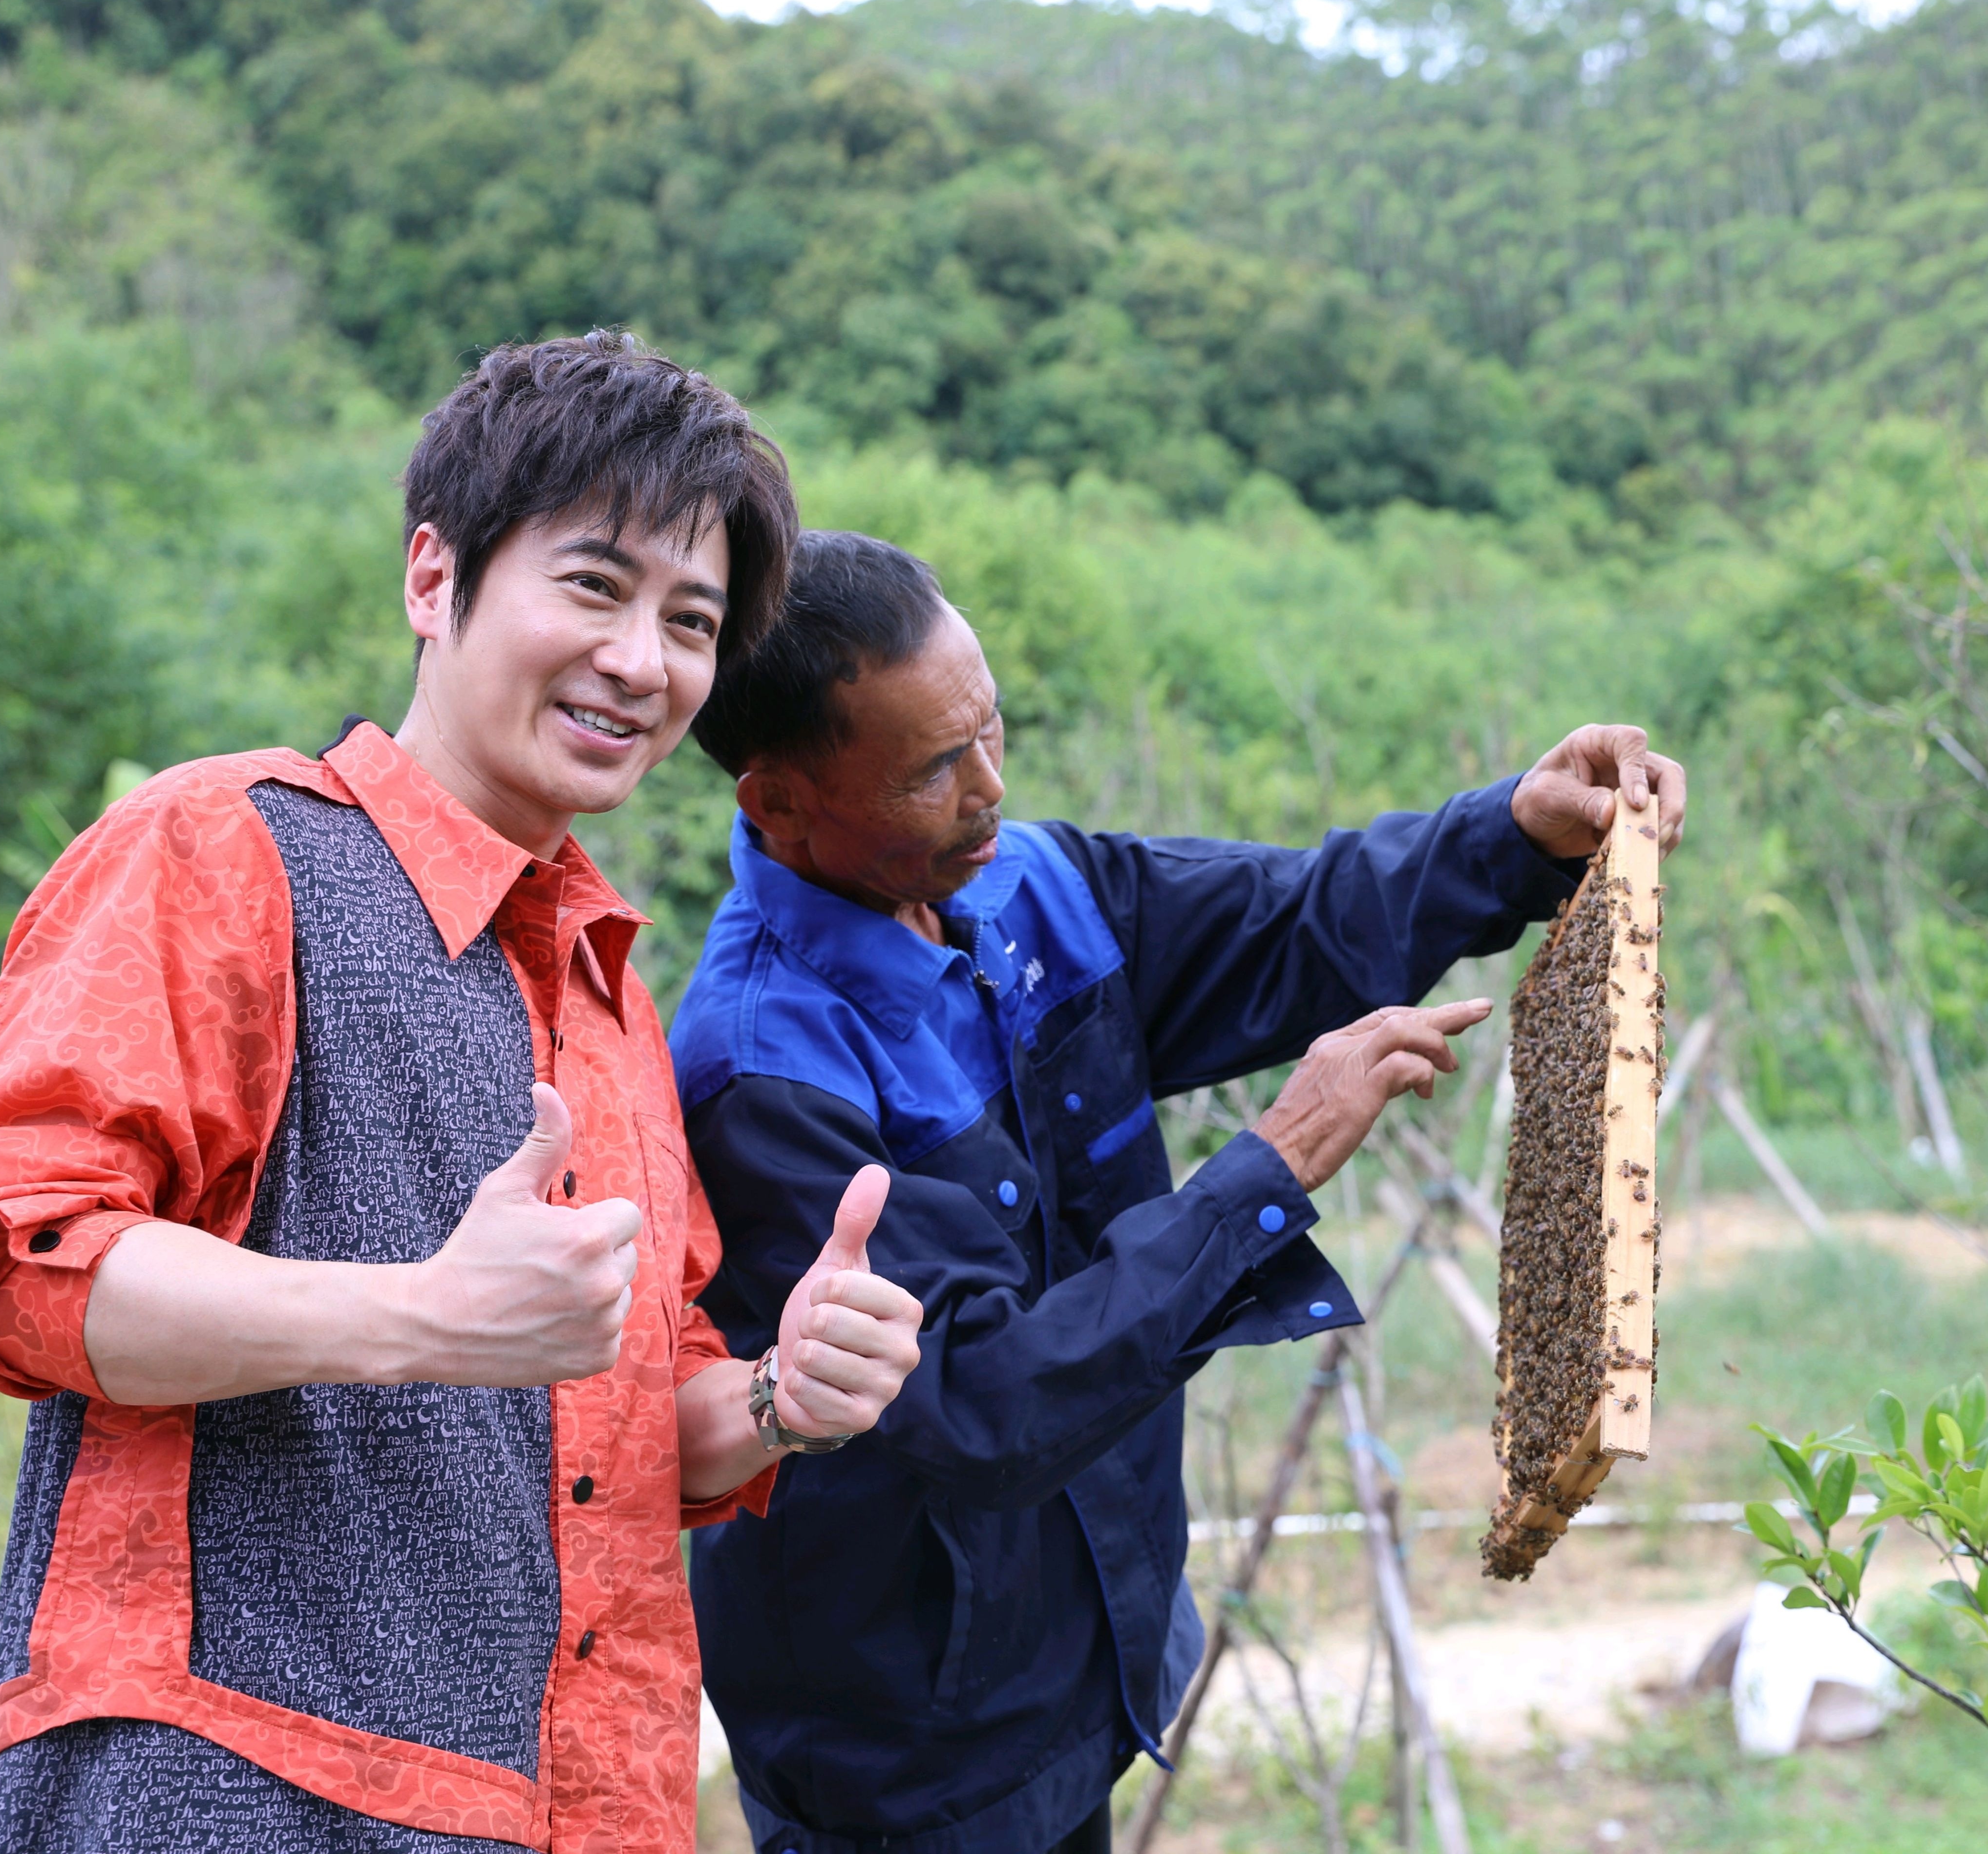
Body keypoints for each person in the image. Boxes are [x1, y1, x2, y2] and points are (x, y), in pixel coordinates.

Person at [0, 333, 928, 1854]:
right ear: (434, 580)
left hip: (568, 1814)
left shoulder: (615, 998)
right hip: (222, 1787)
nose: (644, 661)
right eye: (594, 586)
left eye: (689, 621)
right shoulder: (229, 848)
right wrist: (421, 1316)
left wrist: (783, 1398)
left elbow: (636, 1425)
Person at [671, 530, 1688, 1854]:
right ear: (779, 806)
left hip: (1074, 1646)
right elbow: (980, 1406)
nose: (989, 789)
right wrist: (1270, 1169)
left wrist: (1511, 837)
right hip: (905, 1737)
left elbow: (1288, 922)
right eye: (933, 770)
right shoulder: (767, 1067)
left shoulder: (1029, 886)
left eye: (992, 735)